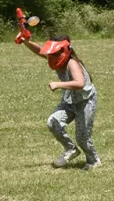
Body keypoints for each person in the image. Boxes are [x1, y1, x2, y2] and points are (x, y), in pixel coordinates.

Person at [20, 35, 102, 170]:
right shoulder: (55, 58)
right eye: (51, 53)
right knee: (53, 122)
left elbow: (80, 83)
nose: (51, 56)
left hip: (85, 102)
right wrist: (25, 41)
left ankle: (93, 160)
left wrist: (58, 84)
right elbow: (40, 51)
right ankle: (70, 149)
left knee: (82, 137)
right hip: (69, 101)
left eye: (55, 53)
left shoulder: (71, 63)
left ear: (64, 51)